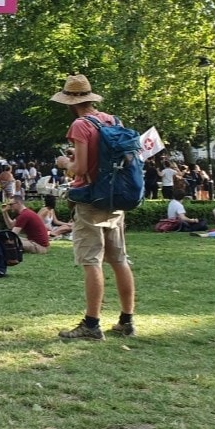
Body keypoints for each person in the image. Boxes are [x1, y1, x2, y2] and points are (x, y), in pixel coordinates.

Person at [51, 74, 137, 340]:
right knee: (119, 260)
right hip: (114, 198)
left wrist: (65, 163)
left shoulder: (80, 125)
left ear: (69, 102)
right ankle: (126, 321)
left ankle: (91, 325)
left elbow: (80, 168)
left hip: (90, 200)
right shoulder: (113, 120)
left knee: (91, 261)